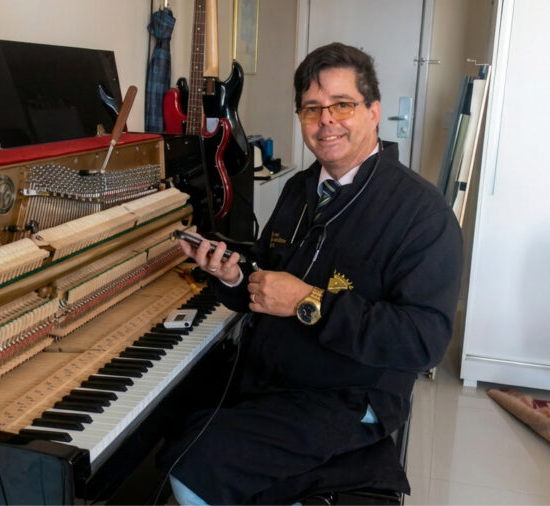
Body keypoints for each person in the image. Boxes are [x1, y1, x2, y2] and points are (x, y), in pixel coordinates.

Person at [158, 42, 463, 504]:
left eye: (342, 105)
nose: (326, 121)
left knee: (192, 462)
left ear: (374, 111)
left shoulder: (423, 214)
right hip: (279, 381)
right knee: (177, 423)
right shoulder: (301, 189)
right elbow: (268, 276)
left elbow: (424, 341)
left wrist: (309, 301)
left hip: (348, 397)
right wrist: (233, 276)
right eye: (312, 109)